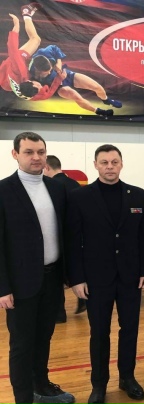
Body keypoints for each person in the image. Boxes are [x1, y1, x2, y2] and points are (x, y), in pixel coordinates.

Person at [66, 144, 144, 404]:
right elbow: (73, 241)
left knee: (130, 330)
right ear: (95, 165)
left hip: (131, 277)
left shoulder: (137, 195)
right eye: (104, 162)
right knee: (99, 333)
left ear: (121, 164)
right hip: (95, 279)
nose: (109, 167)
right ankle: (99, 384)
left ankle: (127, 377)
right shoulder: (79, 197)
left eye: (114, 162)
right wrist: (76, 278)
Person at [0, 132, 74, 404]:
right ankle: (23, 398)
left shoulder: (56, 188)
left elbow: (65, 232)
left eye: (41, 152)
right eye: (29, 152)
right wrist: (2, 287)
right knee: (21, 345)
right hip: (20, 284)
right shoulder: (3, 191)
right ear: (15, 154)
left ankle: (41, 385)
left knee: (44, 338)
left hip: (52, 279)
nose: (36, 157)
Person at [20, 45, 121, 116]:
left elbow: (55, 48)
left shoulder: (44, 52)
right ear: (37, 71)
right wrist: (59, 78)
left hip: (66, 75)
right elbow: (48, 92)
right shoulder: (29, 75)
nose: (50, 72)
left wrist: (58, 63)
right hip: (56, 86)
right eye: (47, 72)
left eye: (50, 69)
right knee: (77, 97)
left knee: (97, 87)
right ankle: (99, 111)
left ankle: (107, 100)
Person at [43, 155, 86, 321]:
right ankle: (83, 298)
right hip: (78, 236)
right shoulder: (74, 184)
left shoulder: (52, 186)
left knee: (58, 276)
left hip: (59, 237)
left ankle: (59, 313)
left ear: (47, 167)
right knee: (77, 270)